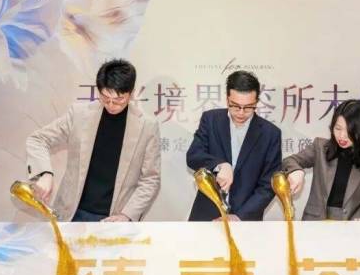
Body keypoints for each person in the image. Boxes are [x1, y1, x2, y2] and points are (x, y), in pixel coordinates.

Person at [26, 59, 160, 222]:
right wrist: (44, 173)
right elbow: (38, 139)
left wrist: (127, 215)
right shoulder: (79, 114)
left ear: (130, 93)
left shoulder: (147, 126)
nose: (111, 105)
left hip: (114, 218)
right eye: (105, 97)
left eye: (119, 99)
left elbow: (151, 179)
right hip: (71, 212)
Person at [186, 70, 281, 221]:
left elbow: (268, 185)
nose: (241, 113)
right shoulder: (211, 120)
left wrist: (240, 217)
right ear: (227, 98)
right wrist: (219, 165)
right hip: (207, 214)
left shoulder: (270, 134)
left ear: (257, 101)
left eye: (248, 107)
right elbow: (194, 156)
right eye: (235, 106)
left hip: (246, 219)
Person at [282, 99, 360, 221]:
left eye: (349, 131)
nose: (342, 136)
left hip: (349, 224)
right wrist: (297, 171)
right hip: (315, 223)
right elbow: (290, 161)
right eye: (338, 128)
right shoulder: (320, 147)